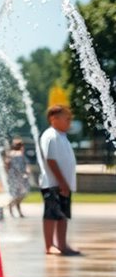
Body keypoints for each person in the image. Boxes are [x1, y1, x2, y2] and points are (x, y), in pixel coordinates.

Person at [40, 105, 80, 256]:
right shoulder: (51, 136)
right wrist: (61, 181)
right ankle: (49, 245)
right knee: (51, 215)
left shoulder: (61, 136)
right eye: (67, 118)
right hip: (53, 183)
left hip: (63, 183)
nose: (69, 122)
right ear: (53, 119)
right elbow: (50, 160)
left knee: (63, 215)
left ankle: (62, 244)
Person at [4, 138, 30, 218]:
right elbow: (7, 165)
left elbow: (6, 165)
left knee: (18, 194)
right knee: (19, 194)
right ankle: (13, 208)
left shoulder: (12, 154)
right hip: (16, 177)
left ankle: (13, 208)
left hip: (17, 177)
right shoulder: (15, 154)